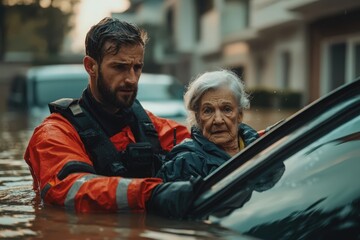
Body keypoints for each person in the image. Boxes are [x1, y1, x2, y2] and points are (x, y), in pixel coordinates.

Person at [24, 17, 195, 218]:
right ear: (90, 66)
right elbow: (68, 188)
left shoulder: (151, 126)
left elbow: (201, 144)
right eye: (119, 67)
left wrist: (236, 137)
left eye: (137, 68)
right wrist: (152, 194)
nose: (131, 79)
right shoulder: (54, 133)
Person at [156, 69, 260, 182]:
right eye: (208, 111)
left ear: (239, 115)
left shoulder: (262, 147)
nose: (218, 120)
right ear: (198, 118)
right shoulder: (186, 163)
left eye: (226, 109)